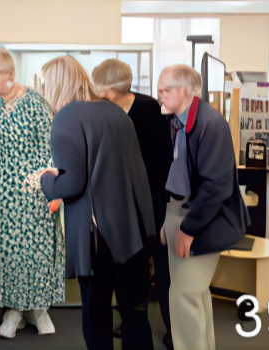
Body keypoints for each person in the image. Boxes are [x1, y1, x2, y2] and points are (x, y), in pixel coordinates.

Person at [39, 55, 156, 350]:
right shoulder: (115, 112)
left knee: (96, 315)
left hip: (97, 238)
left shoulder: (67, 117)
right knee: (134, 315)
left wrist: (44, 180)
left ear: (53, 87)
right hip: (132, 233)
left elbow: (72, 183)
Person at [0, 47, 64, 339]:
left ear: (10, 74)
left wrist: (53, 190)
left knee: (35, 250)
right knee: (7, 250)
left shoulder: (35, 103)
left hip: (34, 189)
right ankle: (15, 310)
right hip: (3, 189)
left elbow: (52, 149)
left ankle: (37, 308)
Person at [158, 64, 248, 350]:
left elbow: (216, 187)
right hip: (179, 211)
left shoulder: (211, 124)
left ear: (185, 91)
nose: (159, 95)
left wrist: (187, 228)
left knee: (185, 294)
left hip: (200, 219)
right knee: (192, 295)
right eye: (160, 89)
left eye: (166, 90)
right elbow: (178, 174)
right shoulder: (177, 121)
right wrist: (169, 220)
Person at [92, 58, 174, 350]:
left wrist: (155, 216)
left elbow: (161, 167)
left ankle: (165, 330)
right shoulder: (104, 113)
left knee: (153, 275)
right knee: (121, 275)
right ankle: (127, 320)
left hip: (148, 209)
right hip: (115, 210)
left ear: (110, 90)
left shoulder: (151, 111)